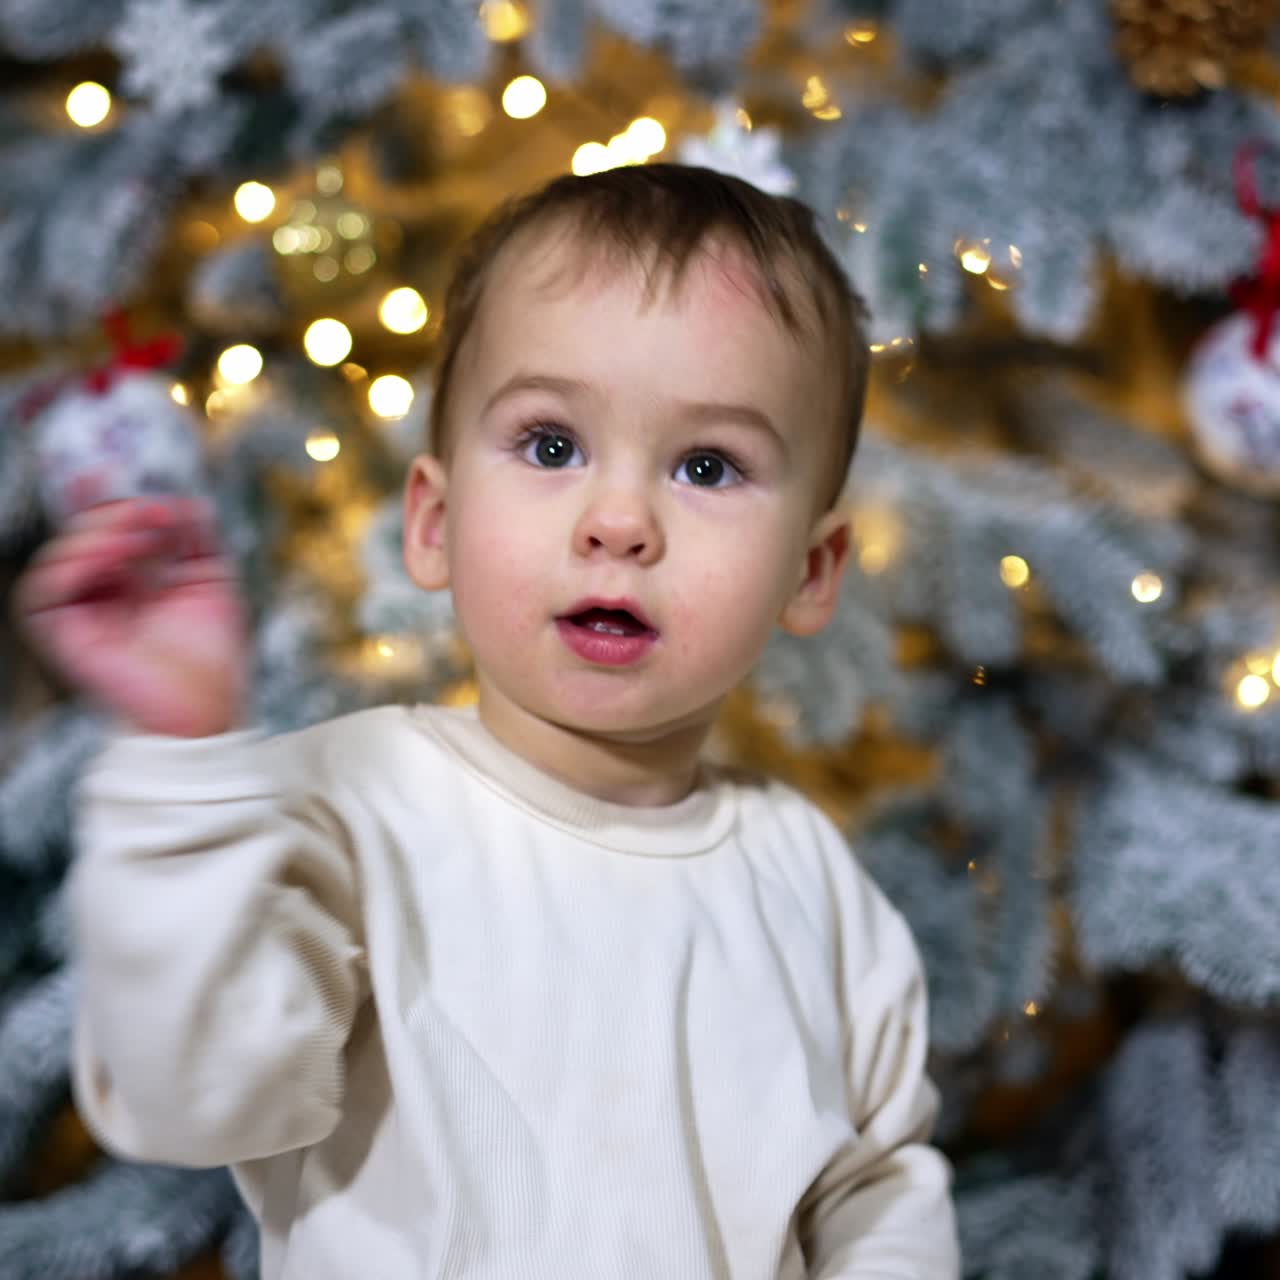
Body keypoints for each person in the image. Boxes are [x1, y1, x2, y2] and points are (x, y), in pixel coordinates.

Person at [18, 164, 960, 1278]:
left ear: (808, 572)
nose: (618, 521)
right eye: (551, 444)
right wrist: (184, 757)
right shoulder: (341, 811)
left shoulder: (812, 884)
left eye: (707, 465)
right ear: (434, 519)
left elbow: (873, 1192)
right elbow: (193, 1089)